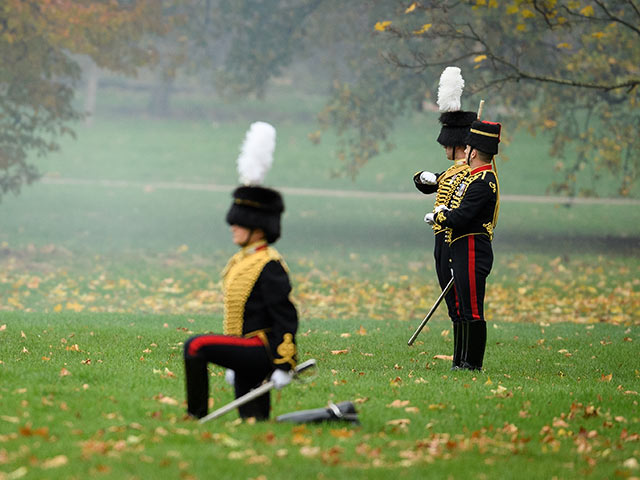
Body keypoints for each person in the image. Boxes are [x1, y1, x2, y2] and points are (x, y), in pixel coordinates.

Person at [183, 122, 298, 420]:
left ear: (258, 227)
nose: (233, 227)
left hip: (260, 349)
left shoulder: (269, 264)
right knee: (254, 421)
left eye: (240, 223)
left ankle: (194, 415)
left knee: (195, 346)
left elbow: (284, 316)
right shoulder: (242, 260)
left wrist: (283, 363)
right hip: (244, 350)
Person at [413, 66, 477, 369]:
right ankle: (458, 359)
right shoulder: (453, 170)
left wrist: (442, 217)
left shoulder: (473, 173)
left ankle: (466, 361)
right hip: (442, 238)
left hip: (457, 238)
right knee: (453, 304)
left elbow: (460, 204)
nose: (445, 149)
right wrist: (424, 179)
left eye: (448, 145)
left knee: (464, 304)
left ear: (460, 145)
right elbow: (439, 185)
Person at [425, 119, 501, 371]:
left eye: (467, 148)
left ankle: (472, 363)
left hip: (471, 247)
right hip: (461, 247)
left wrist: (439, 216)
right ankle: (461, 361)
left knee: (472, 308)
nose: (463, 152)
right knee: (461, 307)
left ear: (474, 152)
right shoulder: (473, 178)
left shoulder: (482, 182)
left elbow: (463, 216)